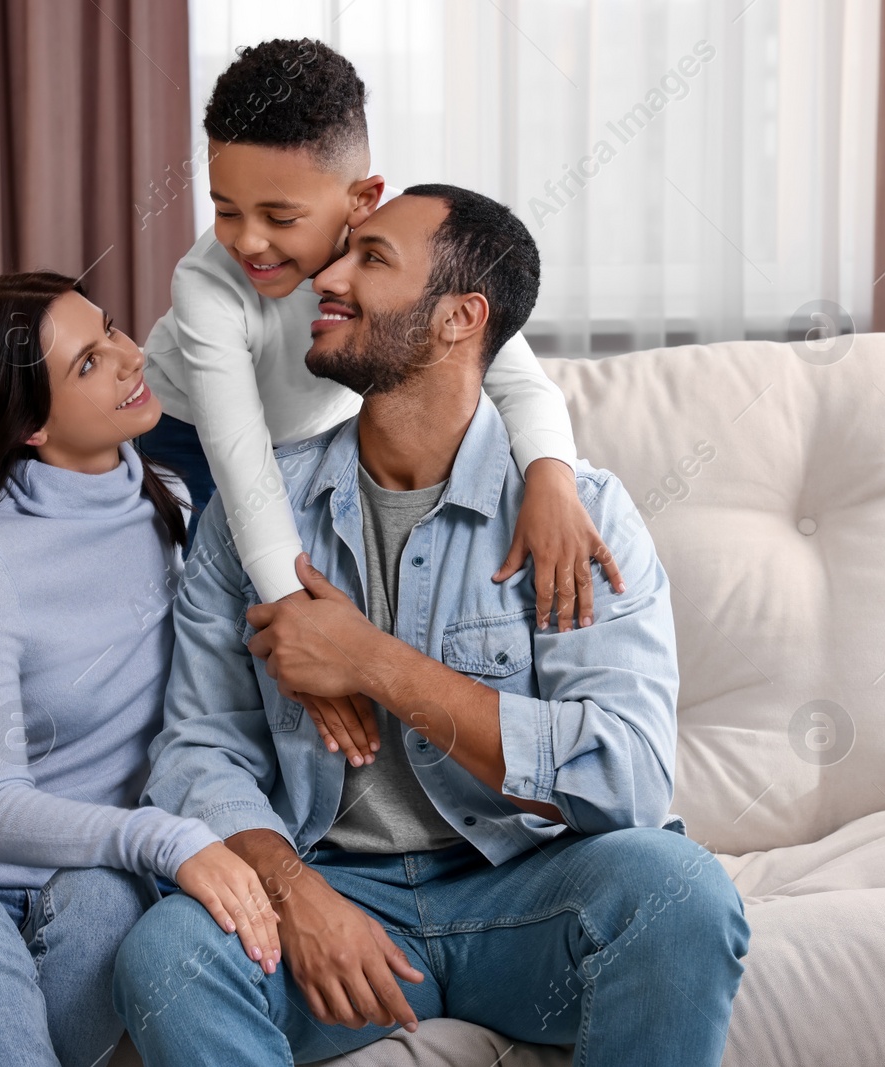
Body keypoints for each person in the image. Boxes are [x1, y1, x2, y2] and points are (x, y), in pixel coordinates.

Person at [112, 187, 751, 1067]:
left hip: (521, 894)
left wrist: (374, 663)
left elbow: (628, 777)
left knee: (681, 891)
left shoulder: (578, 517)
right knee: (166, 955)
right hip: (336, 899)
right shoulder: (255, 516)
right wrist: (294, 893)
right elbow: (197, 747)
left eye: (369, 259)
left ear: (460, 318)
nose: (326, 276)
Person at [0, 272, 281, 1067]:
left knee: (109, 903)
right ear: (30, 423)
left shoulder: (170, 508)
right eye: (91, 364)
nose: (132, 357)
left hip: (76, 881)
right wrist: (167, 839)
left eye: (112, 330)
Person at [138, 38, 619, 637]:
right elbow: (242, 464)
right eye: (226, 210)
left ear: (363, 201)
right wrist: (301, 621)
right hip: (186, 436)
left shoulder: (410, 257)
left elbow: (517, 379)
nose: (248, 242)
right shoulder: (208, 284)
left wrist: (552, 478)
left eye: (280, 218)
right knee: (223, 605)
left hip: (305, 442)